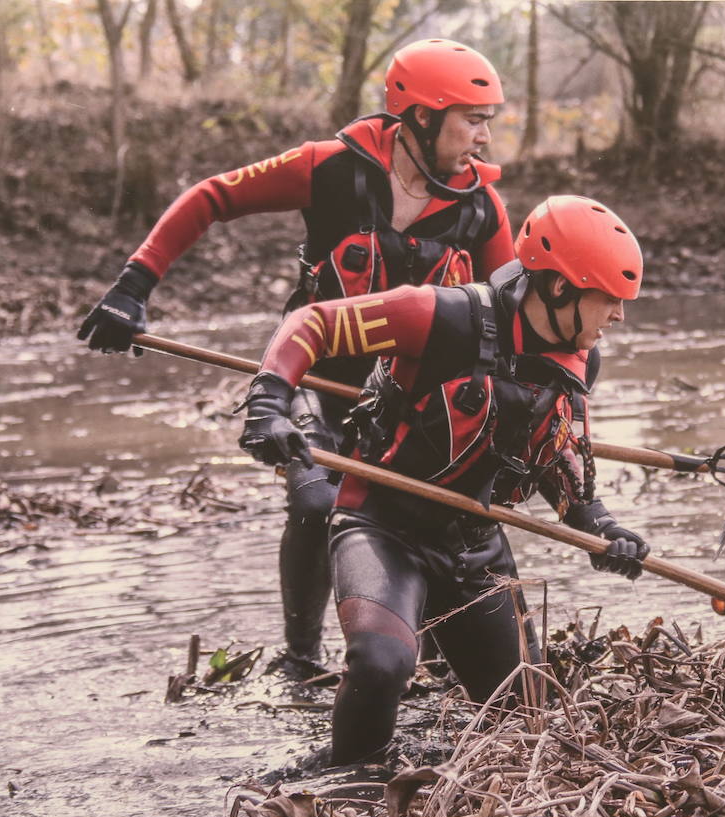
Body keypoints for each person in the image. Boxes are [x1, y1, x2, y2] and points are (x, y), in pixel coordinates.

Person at [76, 39, 516, 668]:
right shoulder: (329, 167)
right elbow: (211, 197)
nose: (484, 138)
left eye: (488, 123)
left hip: (414, 398)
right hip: (316, 374)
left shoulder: (481, 208)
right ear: (421, 115)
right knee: (315, 501)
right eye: (473, 120)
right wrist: (133, 287)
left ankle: (432, 649)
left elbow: (508, 324)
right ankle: (302, 657)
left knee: (431, 517)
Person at [237, 195, 652, 765]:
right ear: (559, 288)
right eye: (610, 299)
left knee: (530, 725)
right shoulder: (439, 314)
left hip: (475, 547)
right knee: (381, 666)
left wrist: (599, 525)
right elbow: (312, 323)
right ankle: (347, 783)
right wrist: (269, 402)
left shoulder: (582, 360)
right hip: (382, 526)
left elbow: (558, 456)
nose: (619, 316)